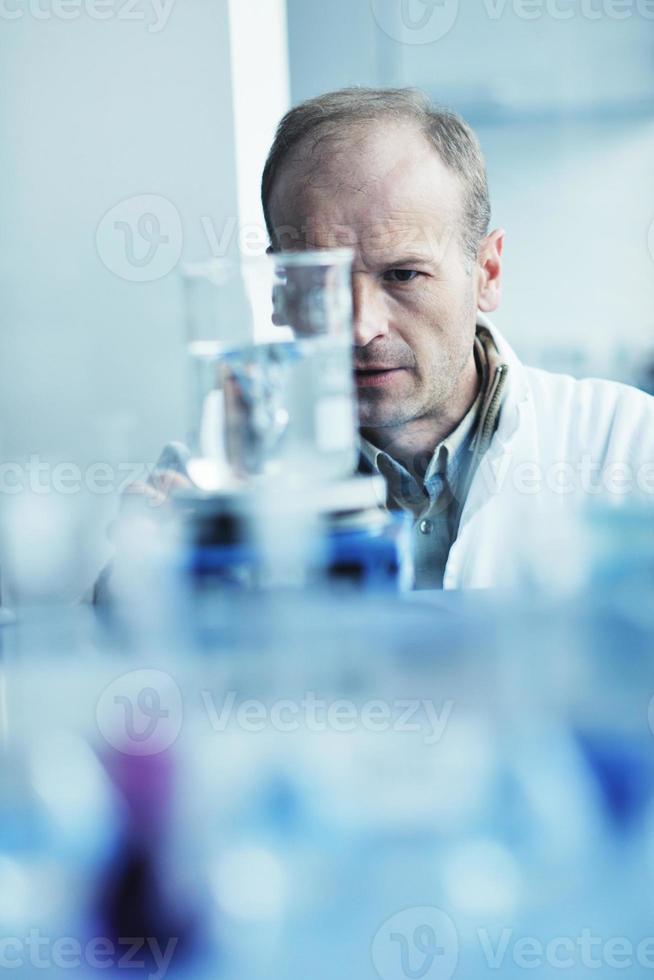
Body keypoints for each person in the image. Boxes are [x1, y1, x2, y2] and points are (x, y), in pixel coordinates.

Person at [259, 86, 654, 589]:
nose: (361, 327)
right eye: (323, 280)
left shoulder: (631, 447)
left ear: (487, 272)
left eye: (403, 275)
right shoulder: (219, 485)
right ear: (279, 288)